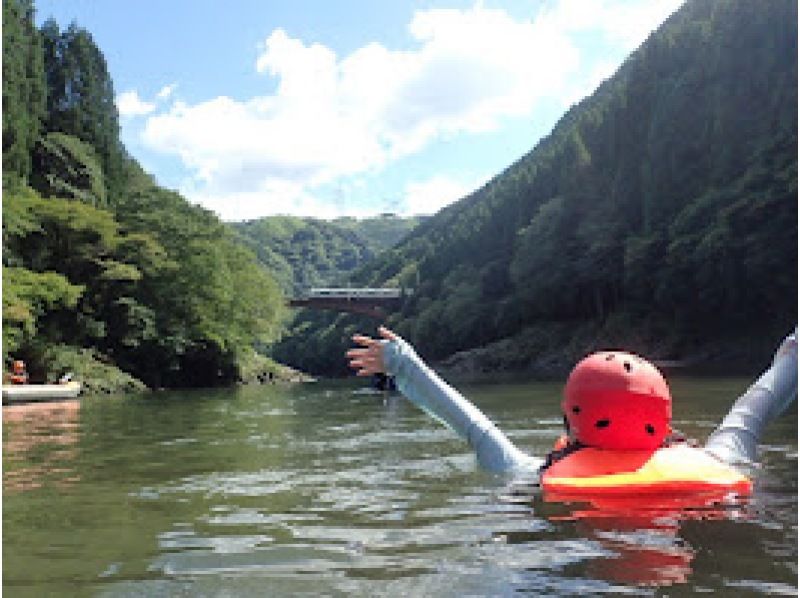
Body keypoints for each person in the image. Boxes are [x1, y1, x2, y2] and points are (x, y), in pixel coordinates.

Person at [346, 327, 797, 489]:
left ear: (570, 417)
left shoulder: (532, 475)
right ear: (664, 414)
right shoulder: (720, 459)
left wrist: (403, 364)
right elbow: (760, 398)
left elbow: (474, 426)